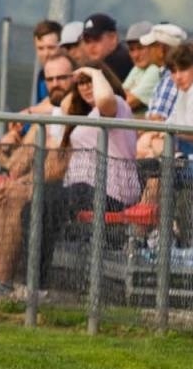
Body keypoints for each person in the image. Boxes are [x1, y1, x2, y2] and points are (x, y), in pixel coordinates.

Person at [26, 63, 140, 290]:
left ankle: (36, 283)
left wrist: (96, 72)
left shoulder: (117, 106)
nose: (86, 87)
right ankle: (30, 277)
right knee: (33, 205)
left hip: (110, 190)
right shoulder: (86, 114)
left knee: (46, 203)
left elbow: (105, 99)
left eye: (90, 82)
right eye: (81, 83)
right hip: (82, 187)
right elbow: (62, 105)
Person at [0, 52, 75, 292]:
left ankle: (2, 280)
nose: (55, 84)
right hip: (48, 182)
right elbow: (17, 165)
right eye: (50, 79)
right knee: (0, 195)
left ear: (74, 78)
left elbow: (59, 165)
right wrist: (4, 149)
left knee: (13, 195)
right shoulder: (48, 116)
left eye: (62, 78)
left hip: (73, 186)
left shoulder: (79, 112)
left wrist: (23, 183)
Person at [120, 21, 160, 113]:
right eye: (131, 49)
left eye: (140, 48)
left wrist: (130, 93)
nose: (135, 55)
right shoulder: (137, 68)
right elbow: (119, 95)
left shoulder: (155, 69)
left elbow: (127, 102)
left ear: (153, 47)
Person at [79, 13, 133, 79]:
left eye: (96, 39)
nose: (91, 46)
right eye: (87, 41)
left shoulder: (119, 61)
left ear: (113, 38)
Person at [30, 19, 63, 104]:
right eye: (40, 48)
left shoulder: (71, 75)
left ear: (62, 47)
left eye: (51, 47)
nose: (46, 54)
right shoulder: (41, 75)